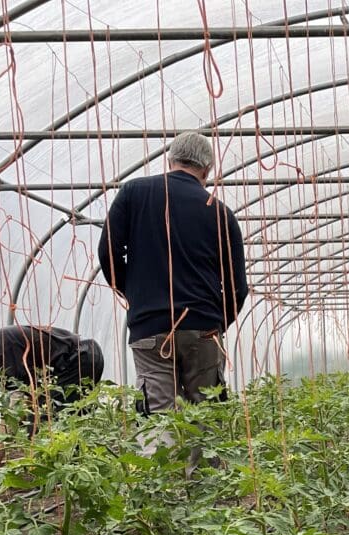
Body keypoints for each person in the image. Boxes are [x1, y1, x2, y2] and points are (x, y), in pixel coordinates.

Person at [98, 130, 249, 416]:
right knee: (204, 424)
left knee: (159, 423)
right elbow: (237, 288)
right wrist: (215, 324)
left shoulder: (133, 193)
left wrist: (133, 294)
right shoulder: (220, 213)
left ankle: (161, 459)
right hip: (203, 329)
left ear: (170, 161)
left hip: (149, 329)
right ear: (207, 170)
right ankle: (201, 463)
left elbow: (108, 251)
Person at [0, 325, 107, 469]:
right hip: (81, 359)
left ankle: (66, 470)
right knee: (49, 419)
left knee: (48, 419)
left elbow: (17, 402)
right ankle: (67, 468)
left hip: (80, 359)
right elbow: (18, 403)